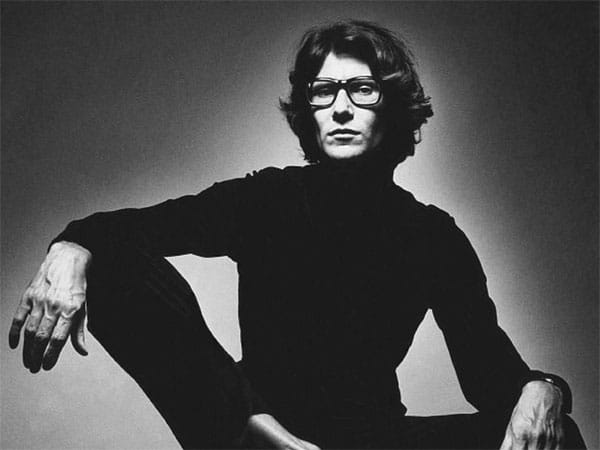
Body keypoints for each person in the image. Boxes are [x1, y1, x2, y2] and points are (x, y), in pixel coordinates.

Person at [8, 20, 586, 449]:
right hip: (244, 423)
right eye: (323, 90)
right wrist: (72, 245)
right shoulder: (266, 199)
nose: (340, 108)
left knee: (556, 433)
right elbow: (135, 230)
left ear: (392, 107)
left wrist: (546, 389)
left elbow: (491, 378)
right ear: (307, 110)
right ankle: (259, 436)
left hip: (371, 440)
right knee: (110, 257)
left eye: (361, 89)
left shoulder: (432, 236)